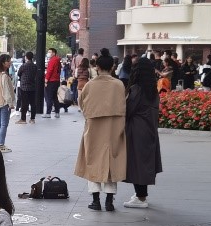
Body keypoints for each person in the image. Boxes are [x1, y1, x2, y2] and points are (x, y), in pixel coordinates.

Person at [74, 52, 127, 211]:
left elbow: (81, 103)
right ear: (112, 67)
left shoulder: (90, 85)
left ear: (97, 67)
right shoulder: (119, 85)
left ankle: (95, 200)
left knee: (93, 160)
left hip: (94, 127)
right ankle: (109, 201)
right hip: (114, 127)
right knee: (112, 161)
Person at [124, 58, 162, 208]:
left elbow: (128, 110)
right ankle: (141, 195)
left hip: (137, 130)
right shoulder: (152, 90)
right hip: (150, 129)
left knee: (137, 162)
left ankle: (140, 198)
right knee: (145, 163)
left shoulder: (136, 89)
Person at [0, 54, 15, 151]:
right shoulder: (4, 75)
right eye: (8, 61)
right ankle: (1, 145)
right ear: (3, 63)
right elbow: (6, 91)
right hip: (5, 102)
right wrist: (10, 103)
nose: (10, 62)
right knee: (4, 124)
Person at [42, 48, 61, 118]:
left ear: (53, 53)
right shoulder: (58, 60)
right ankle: (57, 112)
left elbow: (49, 71)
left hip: (51, 81)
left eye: (49, 52)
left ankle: (48, 113)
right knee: (55, 97)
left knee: (49, 97)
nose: (48, 53)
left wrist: (46, 80)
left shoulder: (52, 60)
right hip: (56, 81)